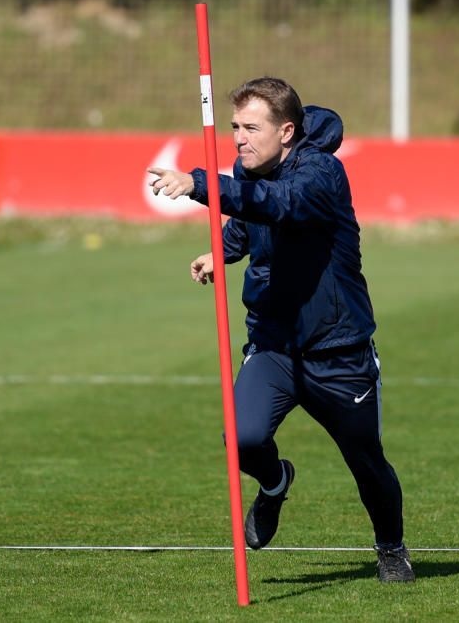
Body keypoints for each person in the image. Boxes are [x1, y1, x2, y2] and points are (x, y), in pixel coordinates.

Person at [147, 77, 414, 583]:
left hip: (338, 350)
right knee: (242, 439)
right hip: (274, 345)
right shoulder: (246, 171)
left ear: (286, 131)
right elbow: (249, 222)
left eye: (251, 128)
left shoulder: (322, 174)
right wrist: (221, 252)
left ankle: (391, 548)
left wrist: (199, 184)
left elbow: (280, 204)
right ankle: (274, 483)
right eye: (234, 127)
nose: (239, 139)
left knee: (366, 462)